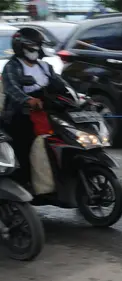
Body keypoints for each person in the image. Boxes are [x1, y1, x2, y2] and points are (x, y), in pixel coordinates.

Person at [1, 27, 67, 187]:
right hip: (21, 114)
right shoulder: (12, 66)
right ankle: (24, 182)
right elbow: (12, 89)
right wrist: (28, 100)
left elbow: (61, 85)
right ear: (20, 47)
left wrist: (77, 97)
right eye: (32, 46)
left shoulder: (44, 67)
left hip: (47, 111)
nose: (36, 50)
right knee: (24, 144)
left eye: (38, 46)